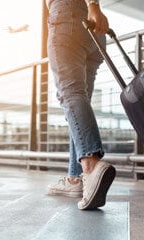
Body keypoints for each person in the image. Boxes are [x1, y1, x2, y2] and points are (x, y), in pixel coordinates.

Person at [46, 0, 116, 210]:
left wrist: (94, 6)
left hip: (67, 18)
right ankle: (75, 178)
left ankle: (91, 167)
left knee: (71, 94)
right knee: (78, 102)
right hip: (91, 33)